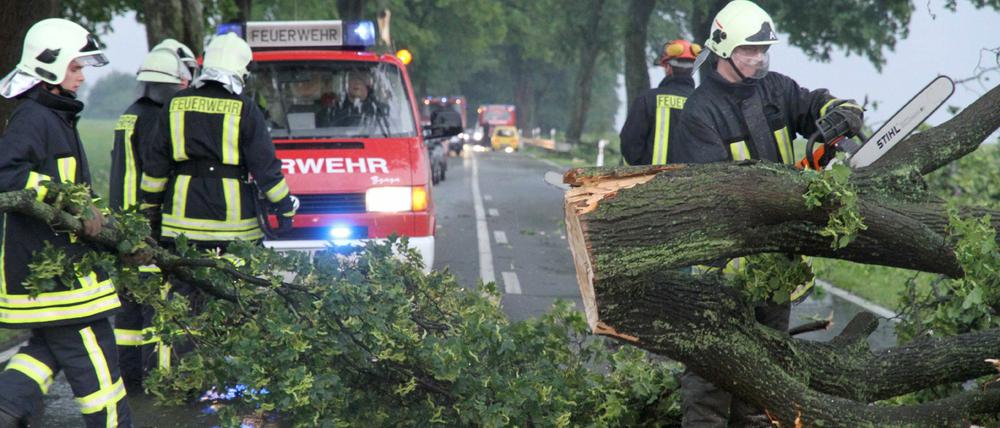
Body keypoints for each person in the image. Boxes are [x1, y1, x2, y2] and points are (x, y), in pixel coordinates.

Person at [673, 1, 863, 427]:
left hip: (773, 262)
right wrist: (794, 186)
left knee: (764, 375)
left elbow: (810, 103)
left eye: (762, 49)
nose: (757, 58)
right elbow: (719, 192)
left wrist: (837, 111)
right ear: (723, 50)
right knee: (710, 376)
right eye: (748, 50)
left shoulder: (775, 89)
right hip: (720, 265)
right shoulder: (700, 112)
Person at [0, 18, 132, 427]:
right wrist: (65, 197)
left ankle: (6, 407)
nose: (81, 77)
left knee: (43, 354)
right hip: (58, 279)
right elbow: (5, 175)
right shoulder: (35, 118)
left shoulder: (56, 118)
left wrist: (109, 229)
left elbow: (68, 189)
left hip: (57, 272)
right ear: (50, 68)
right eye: (76, 68)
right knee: (99, 368)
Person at [140, 31, 297, 250]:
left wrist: (150, 208)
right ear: (241, 69)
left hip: (181, 224)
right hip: (234, 227)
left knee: (183, 282)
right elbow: (265, 167)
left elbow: (155, 164)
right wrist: (285, 208)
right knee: (235, 282)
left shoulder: (175, 103)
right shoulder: (245, 108)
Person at [110, 44, 194, 394]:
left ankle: (130, 379)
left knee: (129, 310)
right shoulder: (156, 118)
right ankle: (163, 383)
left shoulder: (129, 113)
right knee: (156, 309)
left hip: (120, 225)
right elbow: (155, 175)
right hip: (145, 227)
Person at [619, 39, 700, 165]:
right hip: (694, 183)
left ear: (668, 68)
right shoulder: (702, 103)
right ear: (692, 69)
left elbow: (629, 144)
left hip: (650, 181)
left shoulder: (647, 100)